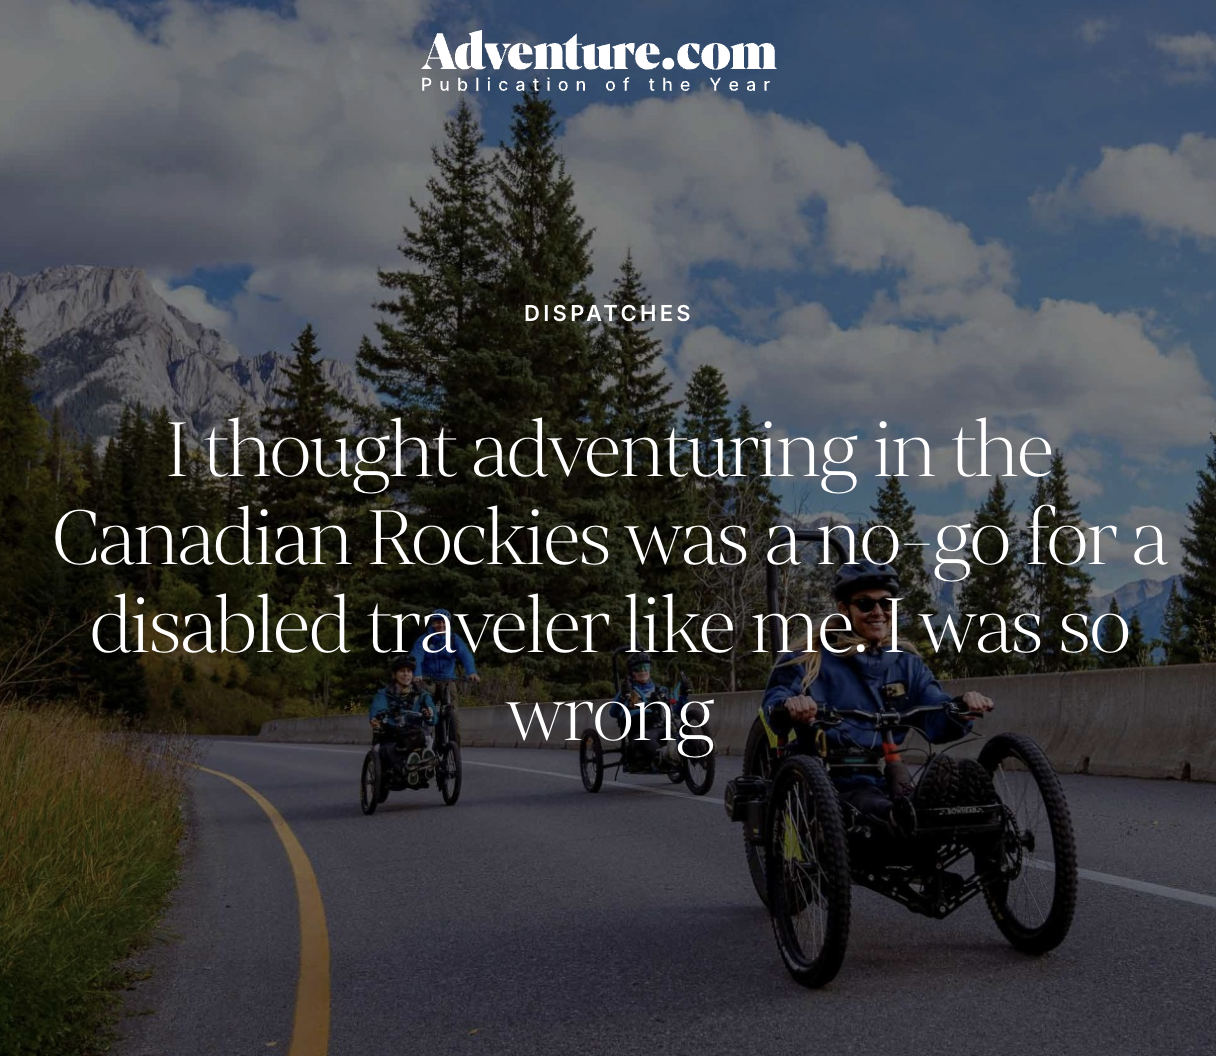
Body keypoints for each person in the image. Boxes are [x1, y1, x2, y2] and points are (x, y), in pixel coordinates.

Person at [762, 559, 995, 830]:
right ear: (844, 609)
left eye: (886, 604)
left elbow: (935, 711)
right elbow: (775, 701)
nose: (878, 612)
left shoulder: (906, 664)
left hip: (883, 774)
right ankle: (903, 815)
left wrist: (961, 709)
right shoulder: (808, 659)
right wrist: (791, 704)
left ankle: (983, 841)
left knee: (957, 803)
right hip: (825, 778)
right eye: (865, 604)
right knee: (878, 806)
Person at [608, 651, 685, 769]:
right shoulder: (627, 691)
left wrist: (684, 695)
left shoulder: (661, 690)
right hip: (640, 732)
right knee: (648, 739)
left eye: (646, 667)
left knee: (684, 734)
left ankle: (702, 748)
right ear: (632, 672)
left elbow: (675, 711)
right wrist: (623, 696)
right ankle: (666, 755)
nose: (643, 671)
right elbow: (613, 713)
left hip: (663, 728)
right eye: (638, 668)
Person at [370, 655, 438, 782]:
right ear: (394, 675)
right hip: (392, 734)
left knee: (426, 739)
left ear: (412, 674)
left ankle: (421, 764)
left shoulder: (422, 694)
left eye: (409, 671)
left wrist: (429, 714)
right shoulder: (384, 694)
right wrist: (376, 720)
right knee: (387, 750)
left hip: (416, 734)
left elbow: (433, 717)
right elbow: (377, 709)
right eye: (402, 671)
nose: (406, 674)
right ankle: (406, 767)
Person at [409, 608, 481, 719]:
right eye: (438, 622)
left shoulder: (454, 639)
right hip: (428, 679)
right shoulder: (424, 640)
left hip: (448, 679)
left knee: (453, 713)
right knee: (425, 707)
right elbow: (416, 656)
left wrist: (471, 672)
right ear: (433, 623)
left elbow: (465, 655)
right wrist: (417, 673)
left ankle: (453, 734)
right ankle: (424, 730)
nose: (441, 625)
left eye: (444, 622)